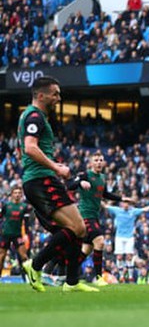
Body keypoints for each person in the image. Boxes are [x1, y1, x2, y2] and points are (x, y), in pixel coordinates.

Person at [17, 76, 98, 292]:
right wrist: (56, 167)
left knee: (74, 229)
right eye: (55, 94)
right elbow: (30, 147)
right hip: (40, 180)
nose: (59, 98)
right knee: (78, 227)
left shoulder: (34, 116)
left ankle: (71, 282)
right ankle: (34, 264)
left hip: (41, 179)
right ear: (41, 95)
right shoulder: (34, 116)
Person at [69, 150, 133, 286]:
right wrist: (80, 183)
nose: (99, 163)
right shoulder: (84, 175)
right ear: (91, 163)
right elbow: (70, 186)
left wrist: (122, 199)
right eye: (96, 160)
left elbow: (105, 194)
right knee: (100, 242)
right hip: (85, 216)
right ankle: (98, 278)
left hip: (94, 216)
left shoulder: (102, 178)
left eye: (101, 160)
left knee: (86, 250)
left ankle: (68, 274)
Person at [106, 198, 149, 283]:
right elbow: (105, 206)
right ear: (122, 204)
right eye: (124, 202)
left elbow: (146, 209)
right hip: (119, 237)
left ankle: (131, 276)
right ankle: (121, 276)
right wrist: (95, 198)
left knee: (129, 256)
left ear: (130, 204)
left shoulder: (133, 211)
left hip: (129, 237)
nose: (126, 204)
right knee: (119, 257)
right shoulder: (117, 210)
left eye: (127, 203)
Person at [0, 184, 30, 277]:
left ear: (21, 195)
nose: (17, 195)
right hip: (6, 234)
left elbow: (27, 223)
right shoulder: (6, 206)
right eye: (15, 193)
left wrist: (26, 234)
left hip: (17, 235)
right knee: (1, 257)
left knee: (24, 257)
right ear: (12, 194)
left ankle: (30, 278)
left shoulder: (25, 207)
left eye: (19, 193)